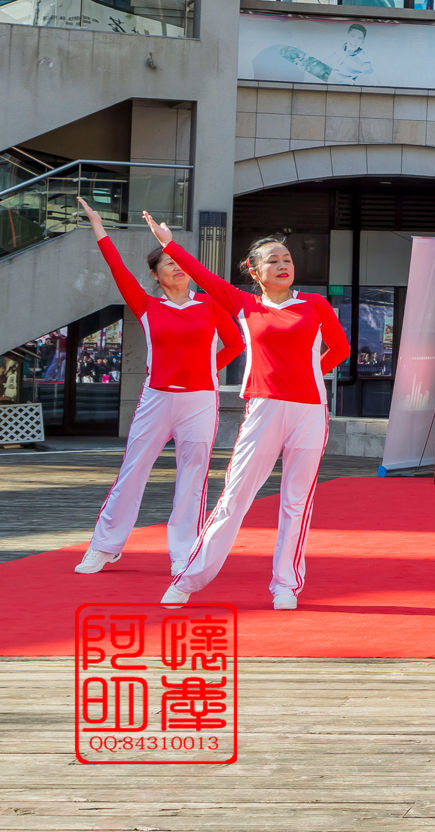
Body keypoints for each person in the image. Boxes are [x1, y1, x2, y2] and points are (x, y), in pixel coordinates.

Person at [146, 214, 349, 611]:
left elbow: (339, 350)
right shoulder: (245, 304)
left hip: (310, 412)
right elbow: (204, 277)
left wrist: (307, 377)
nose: (283, 264)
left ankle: (285, 584)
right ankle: (189, 579)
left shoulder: (316, 304)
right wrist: (169, 245)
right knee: (235, 495)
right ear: (256, 272)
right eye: (273, 260)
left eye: (287, 258)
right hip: (264, 408)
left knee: (296, 501)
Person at [72, 198, 242, 576]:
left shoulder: (210, 306)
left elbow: (236, 344)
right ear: (155, 274)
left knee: (193, 476)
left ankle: (184, 550)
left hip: (200, 401)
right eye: (169, 263)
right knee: (133, 469)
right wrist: (98, 226)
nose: (178, 268)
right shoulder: (148, 306)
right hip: (156, 398)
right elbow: (116, 269)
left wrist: (207, 371)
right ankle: (105, 545)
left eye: (180, 262)